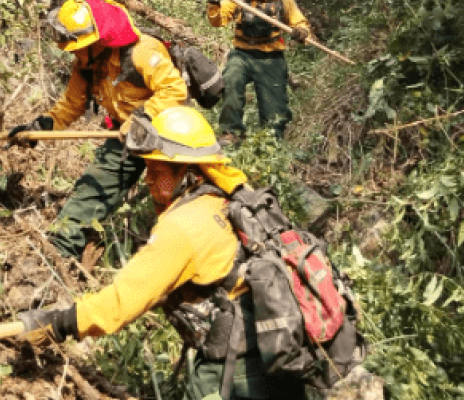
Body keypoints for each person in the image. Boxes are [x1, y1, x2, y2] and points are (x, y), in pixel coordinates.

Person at [18, 106, 308, 400]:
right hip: (279, 350)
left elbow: (123, 302)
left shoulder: (184, 226)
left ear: (187, 172)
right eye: (148, 169)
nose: (148, 179)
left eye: (157, 171)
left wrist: (58, 323)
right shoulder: (228, 197)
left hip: (236, 370)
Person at [8, 0, 188, 259]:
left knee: (167, 195)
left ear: (99, 40)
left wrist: (142, 117)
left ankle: (171, 254)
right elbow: (71, 105)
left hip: (166, 131)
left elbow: (174, 90)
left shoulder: (142, 52)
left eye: (78, 47)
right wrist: (40, 126)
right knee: (91, 189)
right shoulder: (86, 62)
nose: (73, 54)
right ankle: (58, 251)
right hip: (122, 136)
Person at [207, 0, 312, 144]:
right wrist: (215, 4)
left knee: (274, 111)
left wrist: (302, 32)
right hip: (242, 53)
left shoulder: (283, 1)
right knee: (231, 78)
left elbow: (299, 21)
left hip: (271, 57)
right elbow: (218, 20)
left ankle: (271, 141)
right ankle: (231, 133)